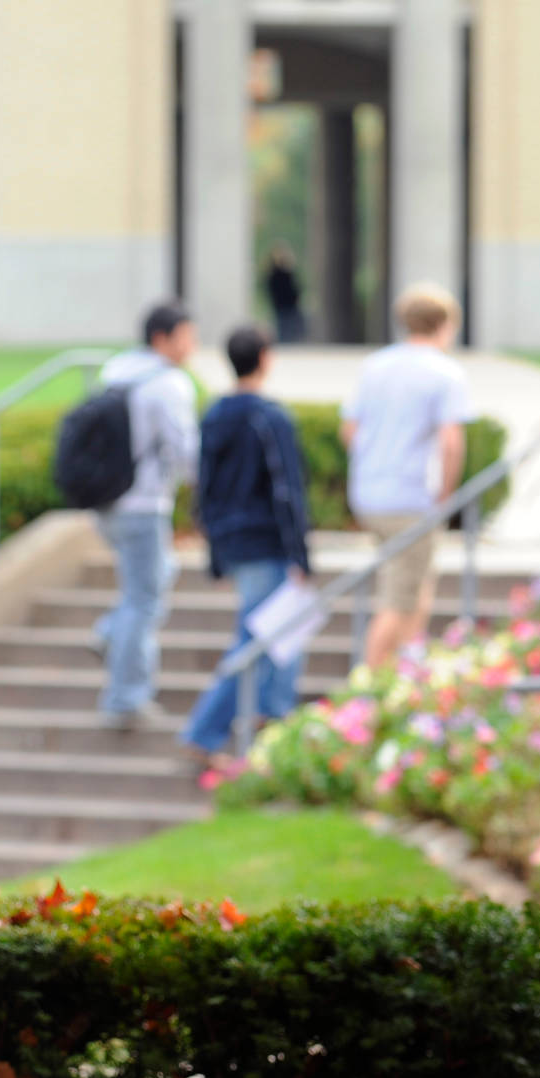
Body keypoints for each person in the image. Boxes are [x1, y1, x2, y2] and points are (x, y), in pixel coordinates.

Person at [180, 325, 313, 765]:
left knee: (276, 636)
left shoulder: (216, 414)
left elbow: (206, 491)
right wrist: (300, 553)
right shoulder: (268, 417)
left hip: (234, 542)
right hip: (264, 542)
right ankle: (204, 733)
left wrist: (216, 556)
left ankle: (274, 721)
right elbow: (285, 489)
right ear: (265, 358)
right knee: (257, 642)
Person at [341, 284, 474, 669]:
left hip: (369, 494)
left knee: (414, 592)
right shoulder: (445, 372)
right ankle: (369, 690)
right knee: (401, 601)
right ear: (445, 324)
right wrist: (445, 496)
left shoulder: (375, 365)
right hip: (411, 497)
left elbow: (350, 430)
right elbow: (452, 442)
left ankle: (403, 675)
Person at [95, 302, 199, 729]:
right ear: (162, 338)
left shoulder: (115, 371)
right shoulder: (169, 384)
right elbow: (187, 454)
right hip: (144, 505)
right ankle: (125, 698)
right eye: (186, 336)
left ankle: (109, 633)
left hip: (105, 502)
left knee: (150, 582)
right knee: (145, 599)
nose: (192, 346)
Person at [264, 243, 305, 344]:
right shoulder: (277, 275)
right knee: (285, 331)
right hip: (283, 306)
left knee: (290, 331)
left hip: (287, 306)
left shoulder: (283, 274)